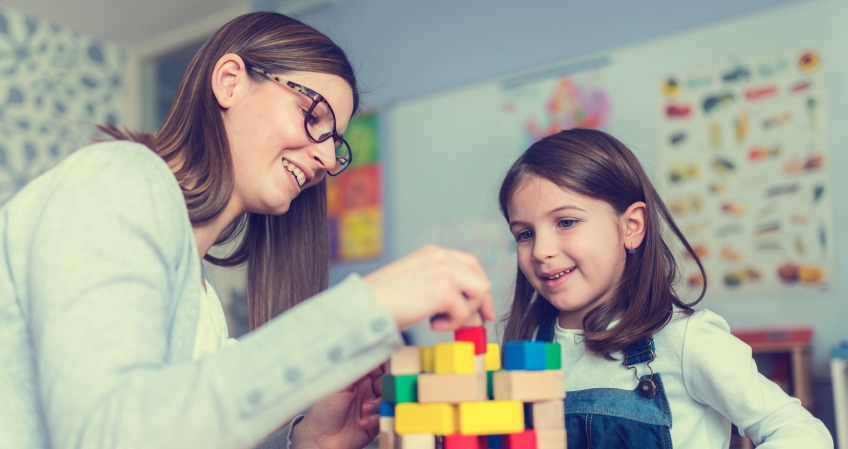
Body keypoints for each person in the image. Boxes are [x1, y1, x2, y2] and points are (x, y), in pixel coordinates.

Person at [0, 12, 494, 449]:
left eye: (336, 143)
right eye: (312, 116)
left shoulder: (206, 311)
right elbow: (106, 436)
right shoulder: (117, 177)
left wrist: (308, 439)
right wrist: (365, 307)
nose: (326, 157)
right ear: (231, 81)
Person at [497, 128, 832, 448]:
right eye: (524, 234)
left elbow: (799, 430)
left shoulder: (687, 340)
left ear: (631, 227)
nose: (541, 251)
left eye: (566, 222)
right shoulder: (522, 353)